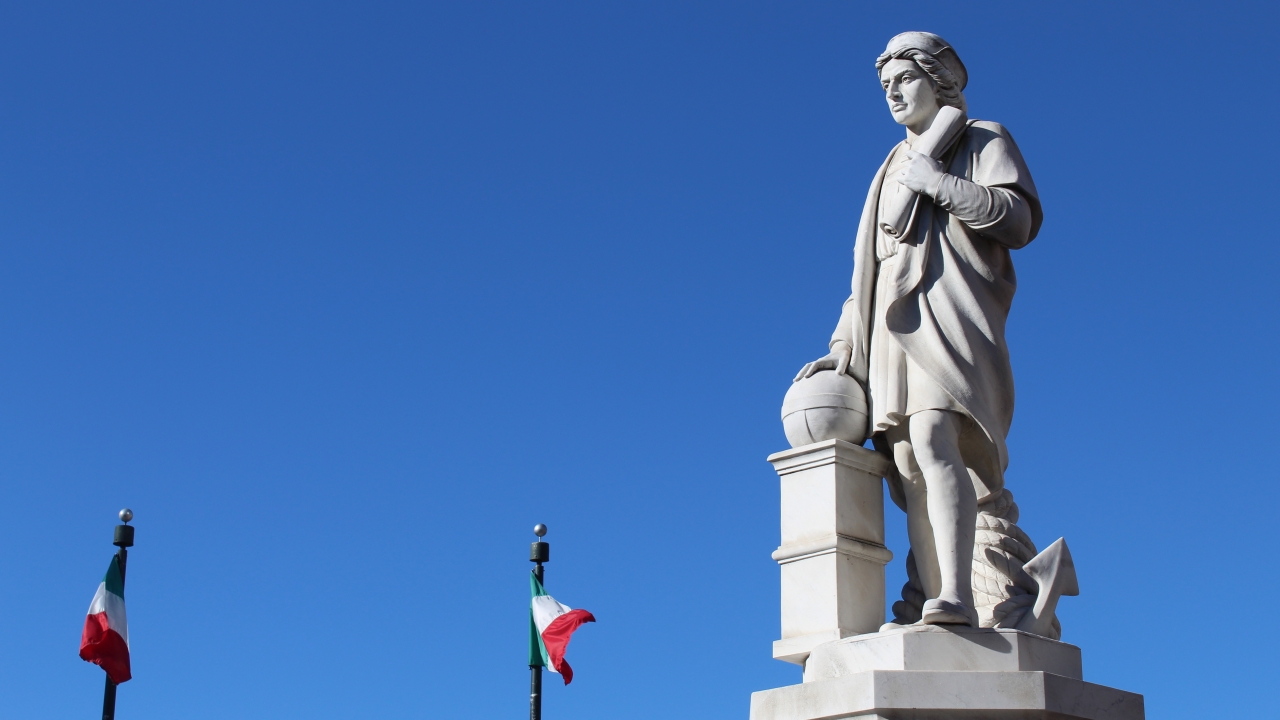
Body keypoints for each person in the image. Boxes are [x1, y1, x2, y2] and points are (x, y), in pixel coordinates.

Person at [794, 31, 1042, 626]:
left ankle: (958, 595)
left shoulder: (983, 137)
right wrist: (841, 347)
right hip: (889, 329)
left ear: (939, 80)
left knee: (935, 437)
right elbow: (871, 274)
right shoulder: (888, 169)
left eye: (905, 79)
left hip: (951, 315)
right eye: (885, 85)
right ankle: (937, 594)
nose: (893, 93)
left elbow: (1018, 218)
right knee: (907, 463)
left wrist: (937, 184)